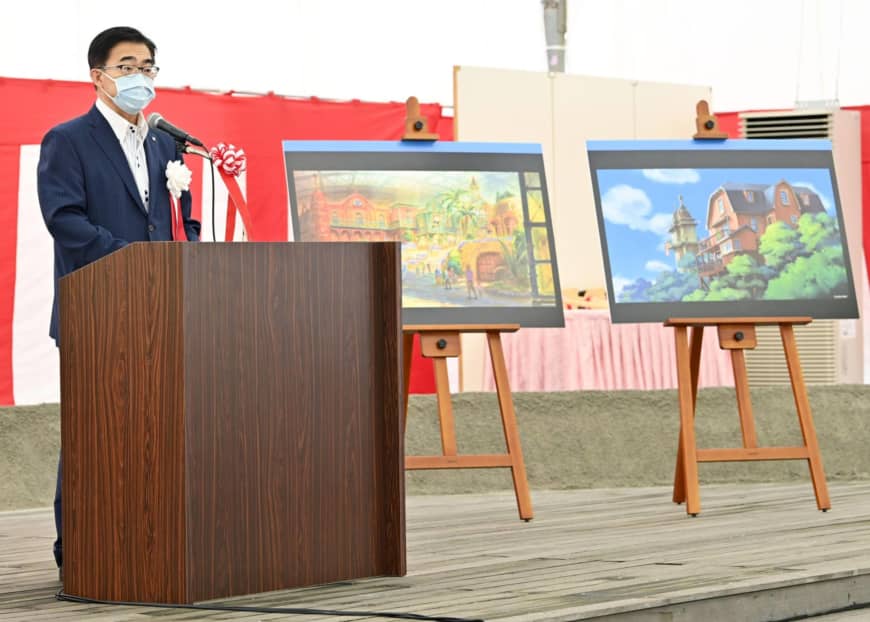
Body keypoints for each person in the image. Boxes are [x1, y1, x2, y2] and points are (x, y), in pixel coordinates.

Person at [37, 26, 201, 581]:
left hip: (161, 313)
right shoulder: (68, 139)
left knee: (155, 428)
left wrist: (191, 255)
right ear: (99, 76)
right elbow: (65, 219)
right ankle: (79, 546)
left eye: (148, 66)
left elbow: (183, 218)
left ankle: (146, 538)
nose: (140, 76)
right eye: (127, 65)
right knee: (94, 430)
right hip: (98, 309)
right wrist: (131, 260)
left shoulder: (165, 143)